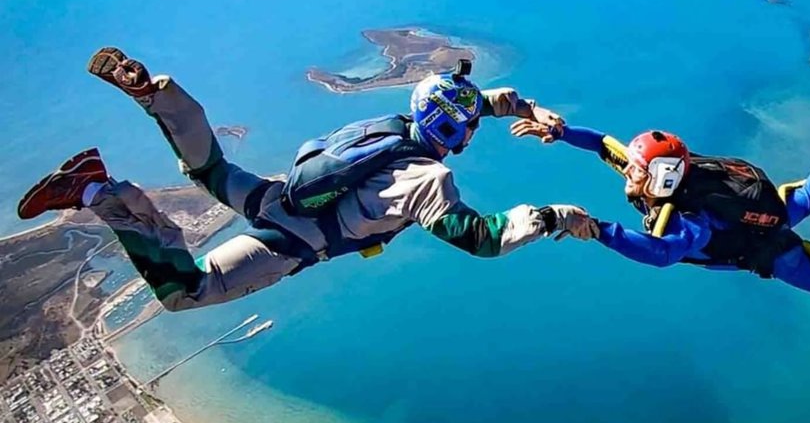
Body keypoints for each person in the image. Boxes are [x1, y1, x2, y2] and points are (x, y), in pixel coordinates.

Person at [18, 48, 596, 311]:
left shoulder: (391, 128)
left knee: (209, 168)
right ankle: (97, 189)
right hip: (289, 242)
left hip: (278, 195)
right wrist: (553, 217)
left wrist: (522, 107)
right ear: (462, 136)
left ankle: (159, 96)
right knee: (186, 293)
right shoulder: (428, 181)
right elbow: (482, 238)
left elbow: (464, 103)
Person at [511, 104, 810, 300]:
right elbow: (602, 144)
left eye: (636, 171)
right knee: (807, 195)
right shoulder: (671, 175)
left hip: (770, 250)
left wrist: (598, 230)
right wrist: (560, 131)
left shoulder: (688, 218)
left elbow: (662, 254)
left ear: (660, 177)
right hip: (763, 211)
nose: (628, 172)